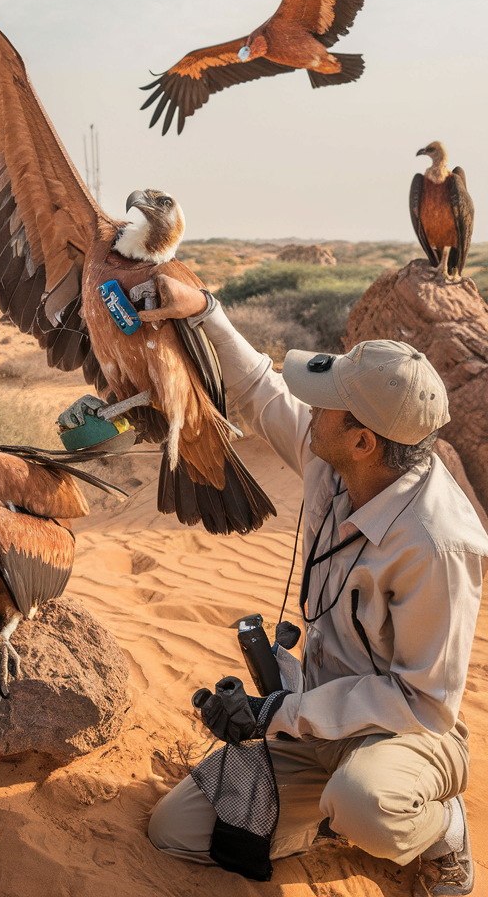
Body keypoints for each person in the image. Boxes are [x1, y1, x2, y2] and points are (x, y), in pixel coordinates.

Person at [139, 279, 485, 897]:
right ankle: (324, 812)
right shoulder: (337, 458)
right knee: (179, 831)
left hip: (405, 735)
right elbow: (260, 389)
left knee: (368, 804)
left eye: (326, 402)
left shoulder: (437, 545)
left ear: (363, 440)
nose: (310, 408)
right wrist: (206, 311)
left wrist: (278, 712)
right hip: (316, 718)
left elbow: (425, 703)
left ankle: (439, 829)